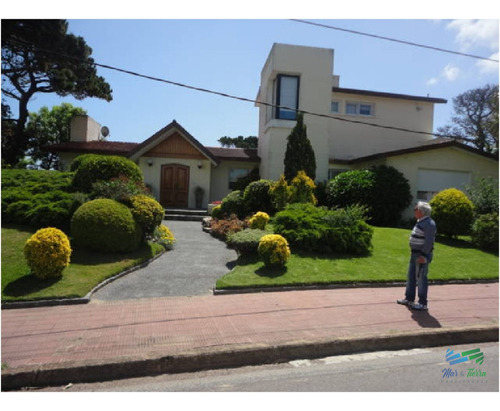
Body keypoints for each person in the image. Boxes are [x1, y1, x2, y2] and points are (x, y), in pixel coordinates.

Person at [397, 201, 436, 311]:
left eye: (416, 209)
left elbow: (429, 242)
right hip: (415, 253)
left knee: (421, 279)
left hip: (421, 255)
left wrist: (423, 255)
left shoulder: (429, 223)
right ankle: (409, 298)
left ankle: (422, 303)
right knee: (411, 276)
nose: (414, 210)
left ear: (422, 212)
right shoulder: (421, 221)